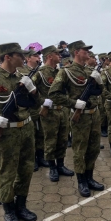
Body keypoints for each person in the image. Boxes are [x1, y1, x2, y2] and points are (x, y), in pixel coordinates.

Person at [49, 40, 104, 197]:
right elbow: (54, 94)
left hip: (95, 114)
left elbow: (98, 92)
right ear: (76, 52)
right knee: (80, 150)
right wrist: (74, 103)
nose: (87, 52)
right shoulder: (66, 72)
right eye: (84, 50)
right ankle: (81, 181)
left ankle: (89, 177)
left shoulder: (89, 71)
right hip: (81, 117)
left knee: (93, 149)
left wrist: (99, 83)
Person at [0, 42, 41, 221]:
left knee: (26, 169)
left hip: (26, 128)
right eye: (20, 55)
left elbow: (36, 103)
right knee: (7, 172)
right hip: (6, 133)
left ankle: (21, 205)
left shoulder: (24, 77)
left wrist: (32, 89)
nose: (24, 59)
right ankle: (8, 210)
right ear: (8, 57)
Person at [33, 45, 75, 182]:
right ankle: (52, 168)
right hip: (49, 112)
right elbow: (29, 91)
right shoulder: (39, 73)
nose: (60, 56)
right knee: (51, 140)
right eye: (57, 54)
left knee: (63, 139)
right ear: (50, 56)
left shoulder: (60, 72)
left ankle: (61, 165)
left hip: (62, 110)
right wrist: (42, 101)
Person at [17, 49, 49, 171]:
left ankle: (41, 156)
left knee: (41, 133)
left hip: (38, 105)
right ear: (28, 58)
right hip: (27, 108)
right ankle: (33, 159)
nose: (38, 58)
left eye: (39, 56)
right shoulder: (21, 71)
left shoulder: (39, 71)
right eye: (35, 56)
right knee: (32, 135)